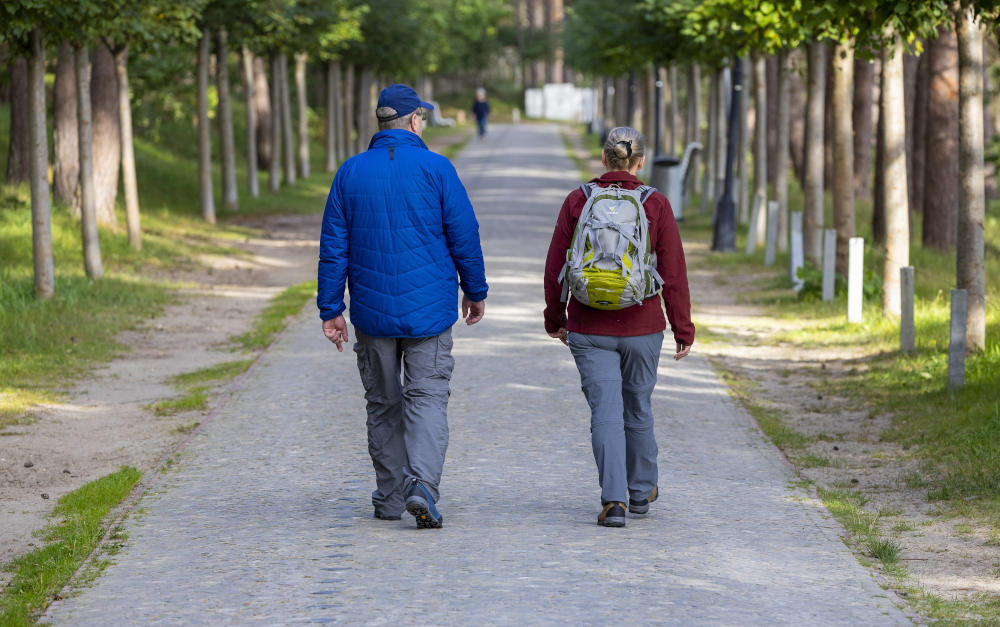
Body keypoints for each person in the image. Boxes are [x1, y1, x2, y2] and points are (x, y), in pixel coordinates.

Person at [317, 83, 488, 529]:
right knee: (428, 398)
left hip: (372, 313)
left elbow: (334, 247)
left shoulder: (350, 172)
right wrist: (475, 290)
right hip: (429, 312)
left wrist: (330, 309)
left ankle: (390, 496)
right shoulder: (437, 168)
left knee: (383, 402)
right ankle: (424, 488)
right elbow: (463, 235)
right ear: (414, 121)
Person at [543, 126, 694, 528]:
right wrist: (683, 327)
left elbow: (556, 266)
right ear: (640, 162)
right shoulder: (655, 204)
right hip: (643, 326)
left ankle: (614, 502)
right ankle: (641, 490)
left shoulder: (579, 200)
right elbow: (674, 272)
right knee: (638, 406)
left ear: (604, 159)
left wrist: (555, 318)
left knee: (606, 414)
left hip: (589, 327)